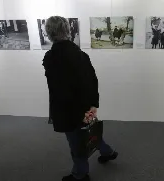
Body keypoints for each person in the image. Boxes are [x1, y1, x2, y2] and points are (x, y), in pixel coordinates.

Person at [42, 16, 118, 181]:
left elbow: (59, 89)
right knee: (91, 132)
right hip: (84, 106)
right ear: (67, 30)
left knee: (76, 142)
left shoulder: (51, 57)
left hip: (68, 110)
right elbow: (92, 80)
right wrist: (92, 105)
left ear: (49, 33)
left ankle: (80, 174)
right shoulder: (80, 54)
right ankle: (108, 152)